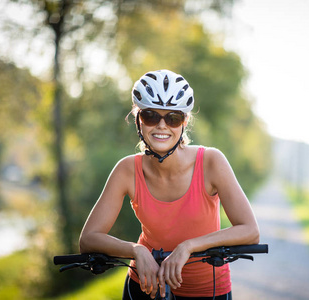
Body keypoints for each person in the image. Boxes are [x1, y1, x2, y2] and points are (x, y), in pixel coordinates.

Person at [79, 69, 260, 300]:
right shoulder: (126, 170)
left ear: (184, 122)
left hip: (207, 290)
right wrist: (136, 250)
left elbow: (250, 231)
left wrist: (188, 247)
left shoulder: (212, 162)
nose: (162, 125)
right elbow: (88, 238)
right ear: (138, 119)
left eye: (172, 118)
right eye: (151, 116)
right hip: (145, 285)